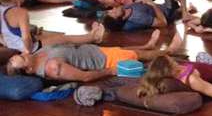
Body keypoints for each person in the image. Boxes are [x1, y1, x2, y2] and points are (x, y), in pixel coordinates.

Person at [6, 31, 181, 83]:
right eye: (22, 58)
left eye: (19, 55)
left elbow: (65, 40)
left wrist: (91, 36)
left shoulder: (37, 54)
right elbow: (85, 77)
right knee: (141, 56)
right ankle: (170, 51)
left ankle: (147, 45)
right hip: (104, 61)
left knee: (123, 49)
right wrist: (111, 70)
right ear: (28, 69)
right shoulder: (52, 67)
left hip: (95, 51)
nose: (23, 53)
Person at [0, 0, 105, 54]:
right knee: (64, 38)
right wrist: (28, 53)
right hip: (28, 48)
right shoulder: (20, 13)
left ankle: (90, 38)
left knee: (52, 34)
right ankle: (93, 37)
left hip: (13, 45)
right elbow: (26, 38)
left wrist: (7, 43)